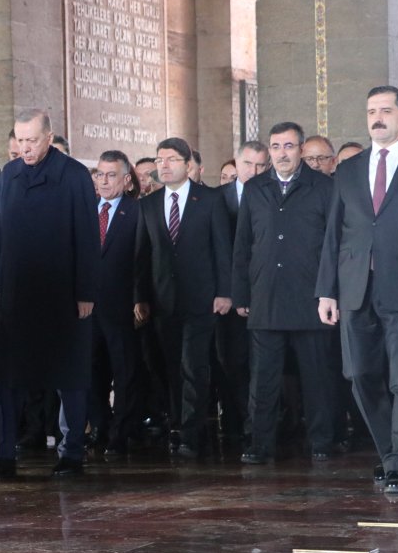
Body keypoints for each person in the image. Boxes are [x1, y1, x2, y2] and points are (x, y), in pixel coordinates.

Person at [316, 85, 398, 494]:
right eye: (372, 110)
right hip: (355, 288)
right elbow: (334, 235)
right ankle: (390, 452)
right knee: (359, 374)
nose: (378, 117)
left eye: (386, 110)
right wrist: (327, 291)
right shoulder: (350, 170)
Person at [0, 108, 98, 478]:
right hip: (16, 294)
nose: (26, 147)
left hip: (62, 294)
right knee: (7, 376)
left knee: (69, 375)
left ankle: (72, 454)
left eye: (33, 140)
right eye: (20, 140)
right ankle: (4, 456)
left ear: (49, 137)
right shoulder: (10, 174)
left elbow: (87, 236)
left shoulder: (75, 175)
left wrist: (85, 291)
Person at [233, 122, 336, 464]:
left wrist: (329, 292)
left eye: (289, 146)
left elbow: (333, 246)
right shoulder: (255, 188)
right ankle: (259, 444)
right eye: (275, 146)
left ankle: (322, 440)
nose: (282, 153)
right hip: (266, 296)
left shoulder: (323, 187)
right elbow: (243, 244)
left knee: (316, 376)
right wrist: (241, 294)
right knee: (262, 380)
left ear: (301, 150)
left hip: (311, 298)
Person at [135, 137, 232, 458]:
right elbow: (142, 255)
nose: (163, 165)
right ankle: (178, 423)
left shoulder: (211, 199)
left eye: (171, 159)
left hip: (202, 299)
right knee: (170, 365)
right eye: (159, 160)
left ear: (188, 164)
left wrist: (224, 292)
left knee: (194, 365)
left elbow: (222, 249)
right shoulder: (148, 204)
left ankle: (192, 432)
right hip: (163, 301)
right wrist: (141, 297)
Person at [88, 150, 142, 455]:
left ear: (125, 179)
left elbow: (142, 260)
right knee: (91, 372)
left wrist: (139, 299)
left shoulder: (137, 211)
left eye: (111, 175)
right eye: (100, 174)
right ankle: (99, 427)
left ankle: (120, 433)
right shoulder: (86, 210)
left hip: (122, 307)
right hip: (87, 308)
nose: (104, 181)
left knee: (124, 373)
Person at [215, 140, 269, 440]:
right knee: (232, 361)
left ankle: (260, 425)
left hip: (263, 295)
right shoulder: (216, 198)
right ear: (236, 164)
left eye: (261, 165)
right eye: (248, 164)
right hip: (228, 297)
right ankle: (236, 424)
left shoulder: (272, 195)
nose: (254, 171)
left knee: (263, 364)